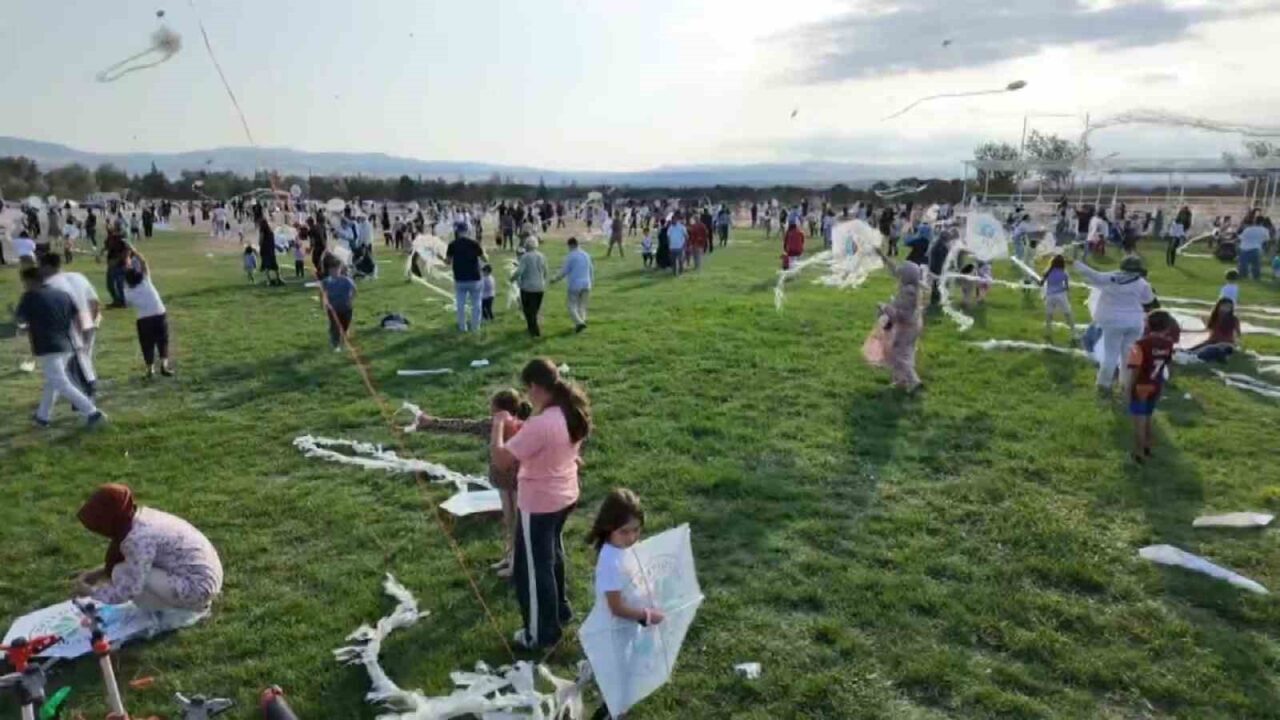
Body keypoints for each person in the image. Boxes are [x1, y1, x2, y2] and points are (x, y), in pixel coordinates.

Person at [490, 359, 591, 649]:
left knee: (533, 569)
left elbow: (501, 459)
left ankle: (540, 635)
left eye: (528, 389)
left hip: (540, 504)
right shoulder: (568, 411)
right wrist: (521, 427)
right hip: (564, 497)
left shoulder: (543, 423)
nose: (527, 396)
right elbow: (546, 441)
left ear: (535, 387)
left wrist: (498, 425)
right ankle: (560, 611)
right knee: (552, 555)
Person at [414, 389, 533, 577]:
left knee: (518, 524)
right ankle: (510, 556)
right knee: (509, 522)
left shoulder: (523, 427)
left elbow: (463, 426)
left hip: (520, 484)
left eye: (492, 409)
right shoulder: (492, 425)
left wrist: (432, 422)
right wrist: (432, 422)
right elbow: (464, 425)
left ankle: (518, 564)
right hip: (504, 483)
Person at [72, 484, 223, 614]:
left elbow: (131, 588)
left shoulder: (137, 539)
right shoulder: (140, 517)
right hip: (206, 576)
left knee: (121, 573)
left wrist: (92, 593)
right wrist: (98, 573)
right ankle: (182, 604)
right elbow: (138, 560)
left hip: (197, 588)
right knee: (121, 570)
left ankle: (176, 611)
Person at [15, 267, 106, 427]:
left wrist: (21, 324)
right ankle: (42, 416)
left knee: (60, 382)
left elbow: (21, 320)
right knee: (53, 382)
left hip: (48, 346)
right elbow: (76, 316)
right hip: (67, 344)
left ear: (29, 281)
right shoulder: (63, 295)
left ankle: (92, 412)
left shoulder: (29, 297)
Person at [1074, 256, 1155, 394]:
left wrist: (1076, 263)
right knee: (1128, 355)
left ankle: (1104, 384)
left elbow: (1092, 274)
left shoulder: (1109, 278)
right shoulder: (1142, 283)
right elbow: (1149, 301)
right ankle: (1125, 384)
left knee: (1111, 354)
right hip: (1135, 323)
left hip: (1113, 322)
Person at [40, 253, 101, 398]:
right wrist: (92, 320)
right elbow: (94, 301)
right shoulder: (78, 276)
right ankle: (86, 391)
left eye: (41, 266)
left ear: (48, 266)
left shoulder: (50, 284)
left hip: (70, 323)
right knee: (84, 357)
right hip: (88, 318)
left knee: (73, 362)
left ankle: (85, 394)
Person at [1124, 310, 1179, 463]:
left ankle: (1138, 453)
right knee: (1148, 416)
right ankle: (1147, 447)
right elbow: (1170, 365)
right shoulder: (1168, 344)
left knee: (1138, 421)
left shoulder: (1140, 345)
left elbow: (1135, 369)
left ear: (1147, 325)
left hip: (1141, 385)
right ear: (1168, 327)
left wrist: (1128, 389)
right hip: (1156, 385)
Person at [870, 252, 924, 392]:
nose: (898, 275)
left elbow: (901, 315)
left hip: (907, 327)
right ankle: (901, 381)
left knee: (899, 355)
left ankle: (914, 381)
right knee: (906, 353)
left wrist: (885, 307)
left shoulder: (908, 292)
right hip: (911, 325)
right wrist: (882, 255)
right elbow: (896, 270)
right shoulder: (912, 285)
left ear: (906, 276)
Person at [123, 250, 173, 378]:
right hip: (159, 313)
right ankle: (164, 365)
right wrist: (133, 251)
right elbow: (144, 262)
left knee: (147, 344)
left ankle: (150, 369)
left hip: (143, 319)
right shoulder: (146, 280)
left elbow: (127, 278)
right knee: (163, 340)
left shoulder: (128, 292)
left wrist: (126, 261)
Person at [445, 229, 487, 333]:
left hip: (460, 278)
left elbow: (448, 262)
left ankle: (462, 327)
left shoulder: (452, 245)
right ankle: (475, 327)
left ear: (457, 233)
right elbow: (485, 259)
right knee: (476, 304)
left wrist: (440, 258)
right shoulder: (474, 243)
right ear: (467, 232)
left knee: (460, 305)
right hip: (475, 277)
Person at [553, 238, 595, 333]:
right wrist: (591, 282)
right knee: (582, 306)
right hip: (586, 283)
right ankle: (581, 324)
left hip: (575, 284)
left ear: (571, 245)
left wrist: (555, 279)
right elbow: (591, 269)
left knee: (571, 305)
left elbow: (564, 271)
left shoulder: (571, 256)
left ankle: (579, 323)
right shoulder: (586, 255)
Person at [512, 237, 549, 338]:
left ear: (526, 246)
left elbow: (520, 271)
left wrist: (512, 278)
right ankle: (530, 328)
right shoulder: (542, 256)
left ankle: (535, 331)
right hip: (540, 287)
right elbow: (546, 271)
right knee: (535, 309)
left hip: (527, 287)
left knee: (528, 310)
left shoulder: (525, 257)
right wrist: (543, 281)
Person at [320, 255, 357, 351]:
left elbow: (354, 290)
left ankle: (343, 338)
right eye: (331, 270)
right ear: (328, 271)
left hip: (346, 308)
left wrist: (351, 299)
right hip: (333, 309)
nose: (333, 272)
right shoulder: (326, 282)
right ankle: (335, 344)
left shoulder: (346, 281)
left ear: (340, 269)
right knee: (334, 327)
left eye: (336, 270)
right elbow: (322, 292)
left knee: (345, 326)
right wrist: (323, 303)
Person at [1189, 298, 1242, 362]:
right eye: (1224, 306)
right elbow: (1209, 329)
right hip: (1211, 341)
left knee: (1206, 349)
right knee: (1191, 350)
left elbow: (1237, 334)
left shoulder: (1234, 319)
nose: (1226, 309)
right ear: (1218, 306)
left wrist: (1236, 344)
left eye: (1229, 307)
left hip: (1225, 343)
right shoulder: (1215, 317)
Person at [1040, 255, 1074, 339]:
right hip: (1061, 295)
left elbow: (1041, 283)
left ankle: (1048, 332)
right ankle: (1073, 332)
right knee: (1068, 314)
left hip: (1050, 296)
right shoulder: (1064, 273)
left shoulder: (1048, 272)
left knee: (1049, 314)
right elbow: (1066, 287)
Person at [258, 217, 283, 287]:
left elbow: (261, 240)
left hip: (265, 250)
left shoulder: (262, 230)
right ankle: (278, 278)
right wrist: (277, 247)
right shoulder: (270, 231)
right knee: (274, 265)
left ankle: (269, 280)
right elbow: (272, 241)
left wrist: (260, 245)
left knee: (267, 266)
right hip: (271, 250)